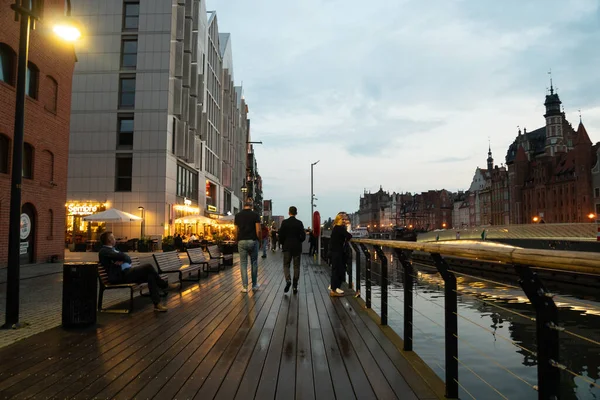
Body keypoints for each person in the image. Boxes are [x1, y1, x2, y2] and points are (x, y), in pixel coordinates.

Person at [98, 231, 176, 312]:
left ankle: (157, 304)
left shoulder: (113, 249)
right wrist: (123, 258)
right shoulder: (104, 251)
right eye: (113, 237)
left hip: (127, 273)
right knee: (148, 266)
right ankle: (164, 285)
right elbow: (123, 256)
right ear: (109, 240)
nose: (115, 239)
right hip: (121, 276)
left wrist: (122, 258)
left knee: (151, 276)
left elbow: (127, 258)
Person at [234, 197, 261, 292]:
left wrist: (236, 239)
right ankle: (254, 285)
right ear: (251, 206)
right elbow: (258, 230)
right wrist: (259, 240)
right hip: (253, 240)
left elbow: (236, 230)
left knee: (243, 263)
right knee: (254, 263)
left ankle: (245, 287)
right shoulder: (255, 215)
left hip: (241, 241)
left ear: (243, 205)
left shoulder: (238, 215)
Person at [278, 206, 306, 294]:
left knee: (286, 265)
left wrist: (283, 243)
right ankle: (295, 286)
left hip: (287, 247)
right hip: (297, 247)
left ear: (288, 212)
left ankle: (288, 280)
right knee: (296, 266)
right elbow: (303, 236)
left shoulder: (284, 223)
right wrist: (299, 241)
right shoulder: (299, 223)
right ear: (296, 213)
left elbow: (281, 235)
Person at [328, 212, 352, 297]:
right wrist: (349, 227)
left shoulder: (336, 228)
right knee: (337, 270)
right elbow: (348, 236)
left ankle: (334, 287)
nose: (344, 221)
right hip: (337, 252)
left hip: (334, 251)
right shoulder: (339, 228)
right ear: (339, 220)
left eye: (345, 219)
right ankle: (333, 289)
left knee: (337, 270)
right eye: (343, 219)